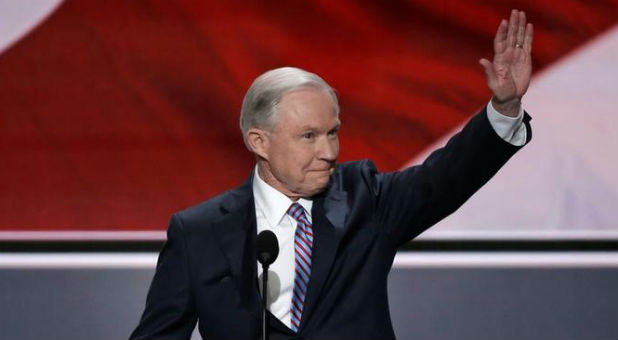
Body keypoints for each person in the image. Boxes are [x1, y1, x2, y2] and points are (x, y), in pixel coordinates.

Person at [130, 9, 534, 340]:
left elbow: (446, 177)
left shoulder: (366, 200)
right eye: (308, 136)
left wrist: (504, 108)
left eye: (333, 132)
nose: (329, 152)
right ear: (259, 141)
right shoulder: (198, 233)